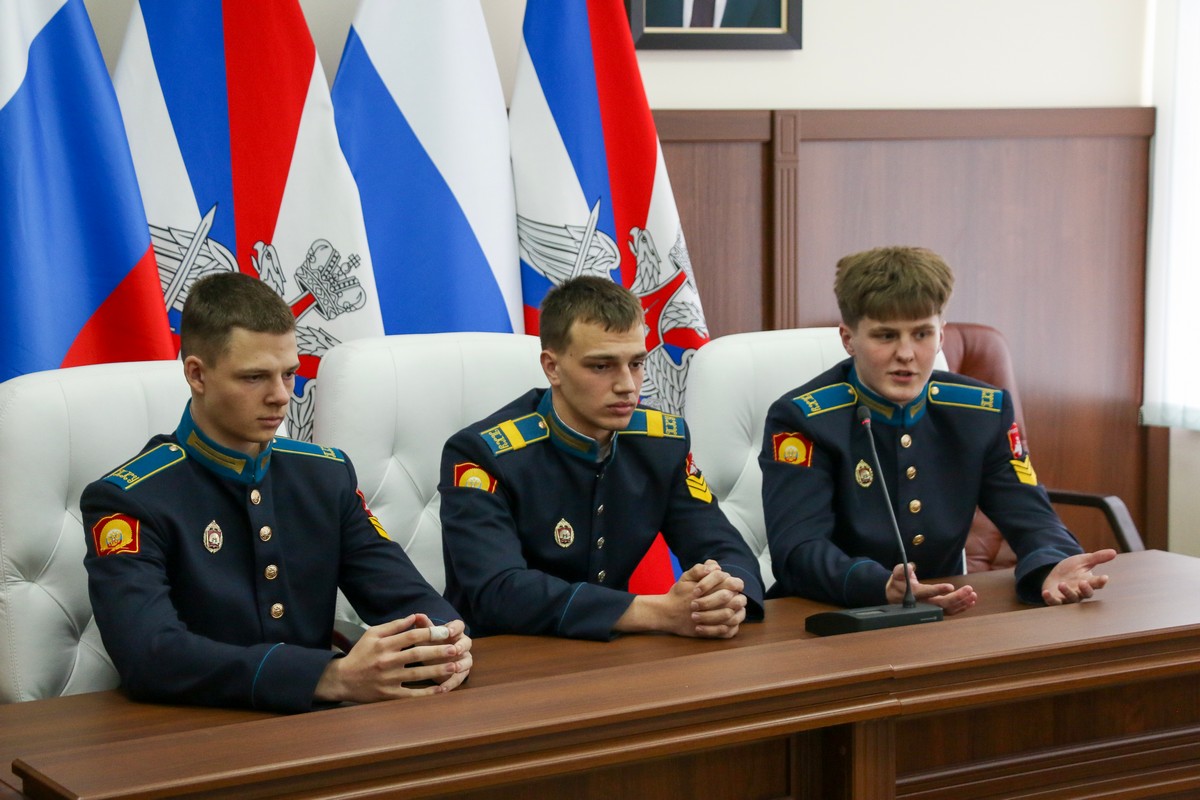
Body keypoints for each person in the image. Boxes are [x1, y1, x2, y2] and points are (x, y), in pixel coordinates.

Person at [80, 272, 471, 713]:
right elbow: (149, 654)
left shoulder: (324, 475)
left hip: (323, 728)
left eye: (289, 374)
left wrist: (443, 641)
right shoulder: (129, 499)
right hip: (196, 728)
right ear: (197, 374)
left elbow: (405, 595)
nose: (282, 396)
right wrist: (329, 676)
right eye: (255, 378)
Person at [760, 246, 1115, 613]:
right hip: (824, 616)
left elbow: (1031, 516)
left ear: (941, 336)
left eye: (922, 334)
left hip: (945, 613)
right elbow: (798, 549)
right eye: (886, 336)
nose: (906, 353)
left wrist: (1053, 563)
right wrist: (878, 585)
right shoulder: (804, 419)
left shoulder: (981, 412)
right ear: (849, 339)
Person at [439, 276, 765, 640]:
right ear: (552, 368)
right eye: (601, 366)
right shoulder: (483, 454)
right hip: (505, 655)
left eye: (636, 364)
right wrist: (656, 612)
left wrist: (722, 594)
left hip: (616, 652)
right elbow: (498, 592)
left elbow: (724, 547)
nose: (627, 385)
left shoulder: (661, 443)